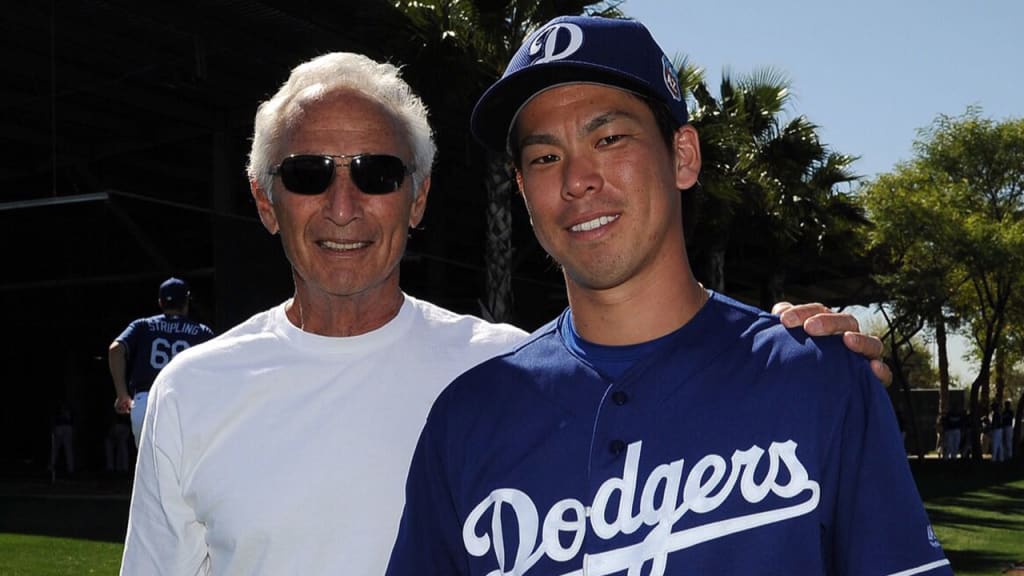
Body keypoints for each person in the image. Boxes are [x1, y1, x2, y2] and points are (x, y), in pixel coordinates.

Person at [120, 51, 887, 575]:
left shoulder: (508, 371)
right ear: (264, 200)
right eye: (308, 173)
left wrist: (804, 359)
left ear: (417, 199)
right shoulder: (194, 390)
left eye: (379, 174)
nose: (344, 206)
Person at [388, 15, 951, 576]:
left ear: (683, 156)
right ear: (522, 189)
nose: (576, 180)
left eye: (608, 139)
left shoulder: (819, 378)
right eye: (544, 157)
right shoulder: (464, 421)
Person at [109, 277, 215, 446]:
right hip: (185, 401)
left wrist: (122, 394)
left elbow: (115, 350)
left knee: (149, 468)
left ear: (160, 302)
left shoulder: (142, 326)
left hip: (146, 400)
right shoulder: (201, 332)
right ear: (186, 301)